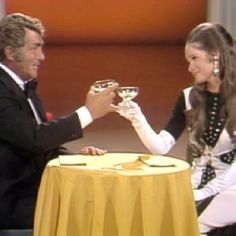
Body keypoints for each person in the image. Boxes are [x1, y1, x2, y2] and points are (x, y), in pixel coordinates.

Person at [0, 13, 118, 229]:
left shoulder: (25, 87)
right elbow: (34, 138)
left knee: (97, 203)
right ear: (10, 53)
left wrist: (78, 158)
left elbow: (39, 145)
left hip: (32, 195)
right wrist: (88, 113)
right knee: (90, 213)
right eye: (34, 48)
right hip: (11, 203)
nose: (42, 56)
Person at [118, 22, 236, 235]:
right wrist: (137, 117)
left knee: (192, 226)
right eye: (188, 61)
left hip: (231, 187)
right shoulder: (188, 97)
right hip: (195, 183)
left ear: (216, 55)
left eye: (194, 58)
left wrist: (203, 194)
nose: (190, 67)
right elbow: (161, 147)